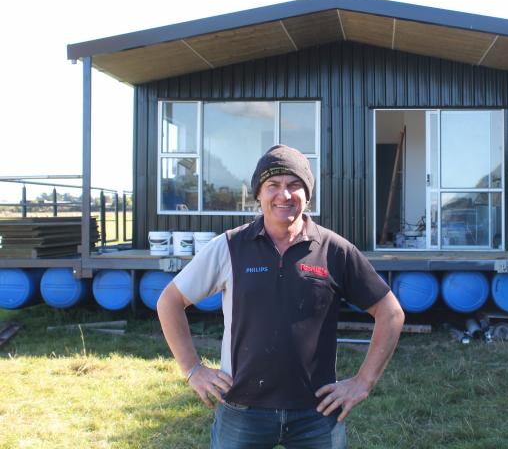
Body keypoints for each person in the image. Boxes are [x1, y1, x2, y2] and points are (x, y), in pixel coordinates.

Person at [157, 144, 405, 448]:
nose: (283, 195)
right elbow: (169, 301)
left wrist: (363, 382)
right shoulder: (230, 247)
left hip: (317, 413)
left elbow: (391, 313)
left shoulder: (334, 250)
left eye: (294, 185)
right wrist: (193, 369)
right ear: (258, 194)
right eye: (272, 185)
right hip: (241, 409)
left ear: (307, 194)